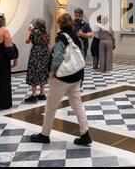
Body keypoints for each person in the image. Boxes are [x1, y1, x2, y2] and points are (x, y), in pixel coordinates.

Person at [30, 13, 92, 145]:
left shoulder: (62, 38)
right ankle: (85, 133)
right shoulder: (76, 37)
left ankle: (44, 134)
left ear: (59, 24)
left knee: (51, 106)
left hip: (62, 78)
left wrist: (52, 71)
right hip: (76, 75)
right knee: (77, 105)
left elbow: (57, 56)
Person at [24, 18, 51, 103]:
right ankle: (42, 94)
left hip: (36, 53)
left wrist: (29, 31)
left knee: (34, 72)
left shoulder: (35, 32)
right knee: (42, 72)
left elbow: (27, 41)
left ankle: (34, 94)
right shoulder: (46, 33)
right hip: (45, 53)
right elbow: (49, 44)